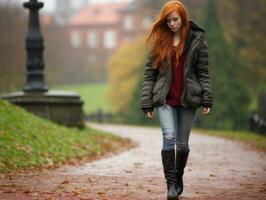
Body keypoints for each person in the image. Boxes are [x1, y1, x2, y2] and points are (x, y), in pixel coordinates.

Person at [140, 1, 213, 199]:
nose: (172, 24)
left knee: (182, 145)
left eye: (175, 20)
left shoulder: (197, 39)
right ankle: (171, 185)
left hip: (188, 98)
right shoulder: (159, 41)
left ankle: (178, 177)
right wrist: (146, 101)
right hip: (164, 99)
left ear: (183, 18)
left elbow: (203, 73)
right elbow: (150, 75)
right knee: (169, 137)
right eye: (168, 21)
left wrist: (207, 98)